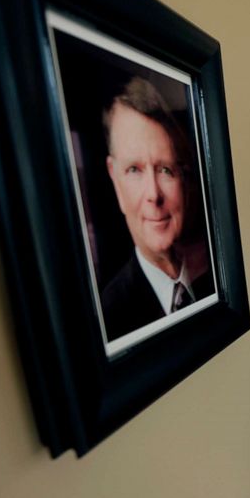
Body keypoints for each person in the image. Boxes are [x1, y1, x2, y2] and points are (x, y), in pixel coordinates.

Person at [100, 76, 212, 341]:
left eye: (165, 169)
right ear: (114, 178)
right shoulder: (109, 316)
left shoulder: (214, 274)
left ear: (184, 179)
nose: (153, 194)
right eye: (134, 170)